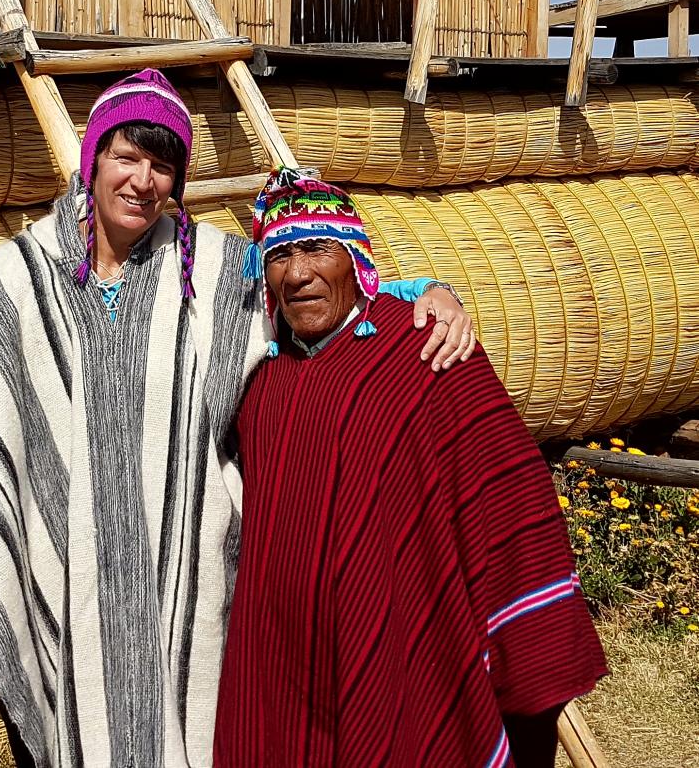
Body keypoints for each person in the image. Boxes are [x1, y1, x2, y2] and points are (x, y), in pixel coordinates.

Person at [0, 69, 474, 768]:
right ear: (94, 159)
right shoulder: (15, 281)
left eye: (163, 165)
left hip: (191, 591)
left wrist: (428, 290)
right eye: (126, 157)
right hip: (59, 581)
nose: (143, 181)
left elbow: (318, 292)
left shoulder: (217, 270)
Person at [214, 167, 607, 768]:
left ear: (356, 258)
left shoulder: (424, 349)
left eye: (317, 248)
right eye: (279, 256)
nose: (297, 274)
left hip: (398, 636)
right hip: (283, 654)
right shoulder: (260, 370)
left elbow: (507, 492)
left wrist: (527, 642)